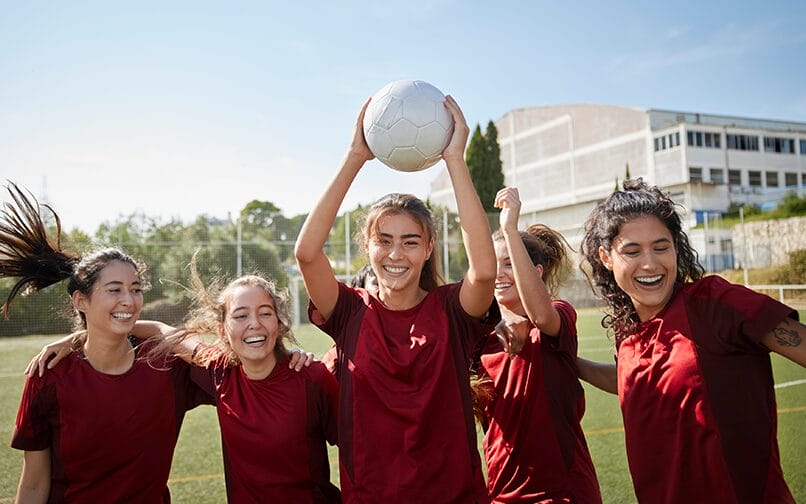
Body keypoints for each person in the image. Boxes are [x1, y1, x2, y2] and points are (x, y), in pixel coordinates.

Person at [294, 95, 498, 502]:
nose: (395, 254)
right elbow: (307, 254)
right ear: (367, 247)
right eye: (383, 241)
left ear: (428, 249)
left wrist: (456, 160)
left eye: (409, 242)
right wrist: (355, 156)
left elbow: (485, 272)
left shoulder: (452, 310)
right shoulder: (349, 311)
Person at [27, 260, 338, 503]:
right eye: (240, 315)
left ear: (280, 322)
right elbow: (163, 332)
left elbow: (358, 455)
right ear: (222, 328)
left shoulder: (310, 377)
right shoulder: (218, 370)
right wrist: (79, 336)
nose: (254, 324)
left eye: (265, 313)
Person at [577, 178, 806, 503]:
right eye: (632, 251)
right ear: (606, 257)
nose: (650, 263)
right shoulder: (626, 333)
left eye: (661, 246)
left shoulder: (714, 303)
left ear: (676, 247)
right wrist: (571, 363)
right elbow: (631, 380)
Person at [1, 182, 210, 502]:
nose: (128, 299)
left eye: (136, 289)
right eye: (114, 290)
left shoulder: (165, 363)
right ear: (80, 301)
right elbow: (33, 484)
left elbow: (218, 353)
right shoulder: (48, 374)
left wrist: (154, 327)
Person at [473, 186, 601, 503]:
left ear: (536, 272)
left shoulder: (558, 315)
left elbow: (541, 315)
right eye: (494, 264)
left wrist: (508, 230)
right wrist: (497, 312)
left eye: (509, 264)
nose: (499, 274)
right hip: (502, 493)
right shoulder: (478, 336)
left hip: (562, 492)